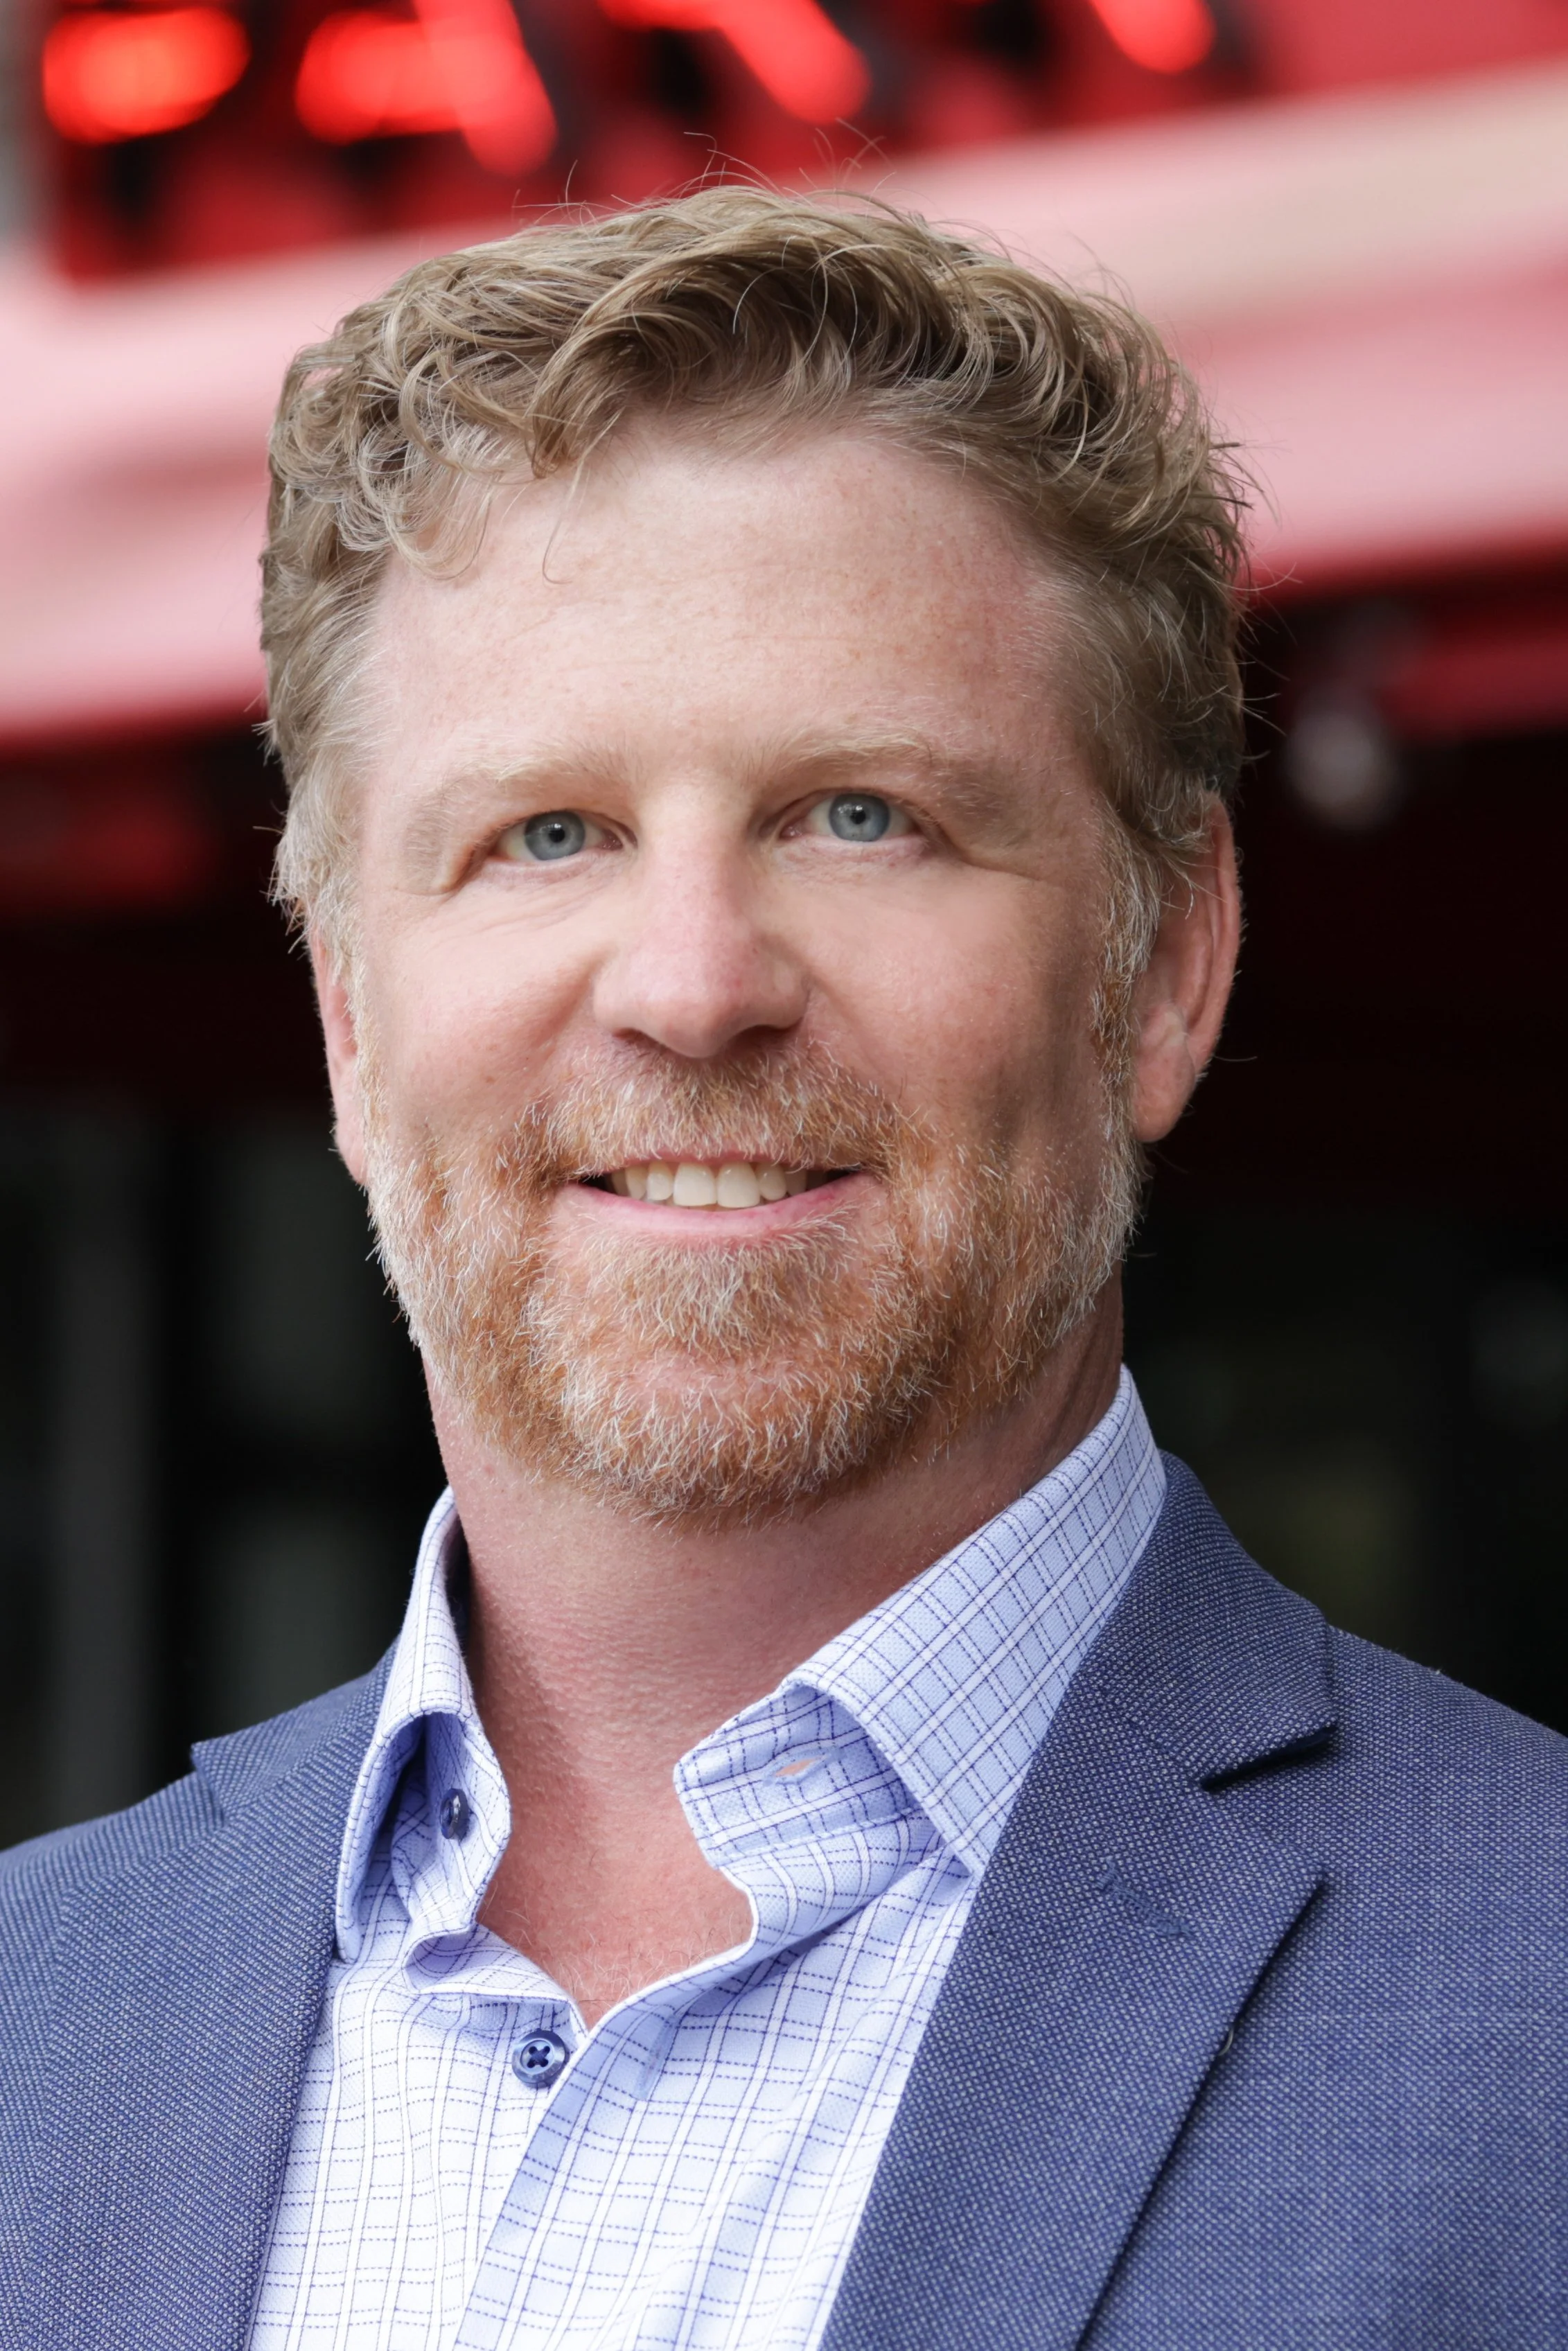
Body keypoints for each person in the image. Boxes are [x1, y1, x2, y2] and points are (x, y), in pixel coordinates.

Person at [2, 188, 1562, 2351]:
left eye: (857, 816)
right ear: (350, 1018)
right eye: (545, 834)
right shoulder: (34, 2020)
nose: (691, 985)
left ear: (1164, 966)